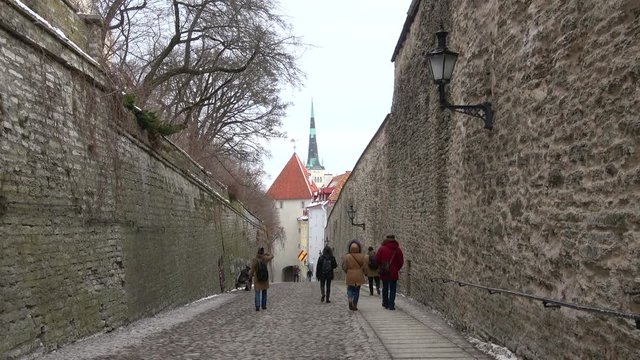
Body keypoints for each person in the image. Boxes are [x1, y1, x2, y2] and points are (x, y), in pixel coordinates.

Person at [375, 235, 404, 310]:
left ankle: (385, 303)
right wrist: (396, 269)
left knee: (385, 288)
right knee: (393, 289)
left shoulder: (382, 248)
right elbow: (401, 262)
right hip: (394, 273)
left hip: (385, 271)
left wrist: (381, 266)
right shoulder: (398, 250)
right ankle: (391, 304)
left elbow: (377, 260)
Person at [342, 239, 366, 311]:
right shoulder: (362, 256)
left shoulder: (347, 256)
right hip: (359, 275)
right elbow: (364, 266)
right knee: (357, 291)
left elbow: (344, 267)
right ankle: (355, 305)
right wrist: (364, 273)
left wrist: (347, 272)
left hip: (350, 275)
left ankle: (350, 300)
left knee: (350, 289)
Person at [249, 247, 274, 311]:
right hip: (265, 278)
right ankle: (264, 306)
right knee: (264, 292)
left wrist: (250, 276)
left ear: (257, 252)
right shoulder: (265, 258)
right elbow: (272, 256)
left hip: (257, 279)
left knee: (257, 292)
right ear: (262, 253)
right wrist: (267, 253)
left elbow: (252, 270)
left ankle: (257, 306)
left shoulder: (255, 259)